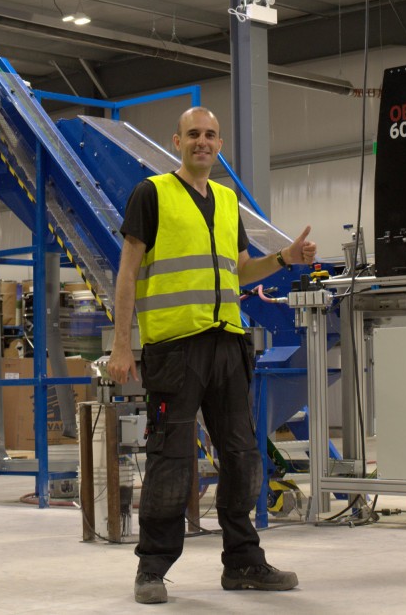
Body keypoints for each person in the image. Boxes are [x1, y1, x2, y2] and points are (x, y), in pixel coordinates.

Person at [108, 106, 317, 605]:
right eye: (193, 134)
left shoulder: (226, 202)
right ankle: (152, 569)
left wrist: (283, 259)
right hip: (174, 349)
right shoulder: (152, 194)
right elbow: (127, 273)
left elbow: (241, 270)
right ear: (176, 141)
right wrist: (121, 344)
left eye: (211, 135)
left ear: (219, 144)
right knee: (170, 461)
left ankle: (243, 562)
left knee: (243, 458)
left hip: (228, 344)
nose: (203, 141)